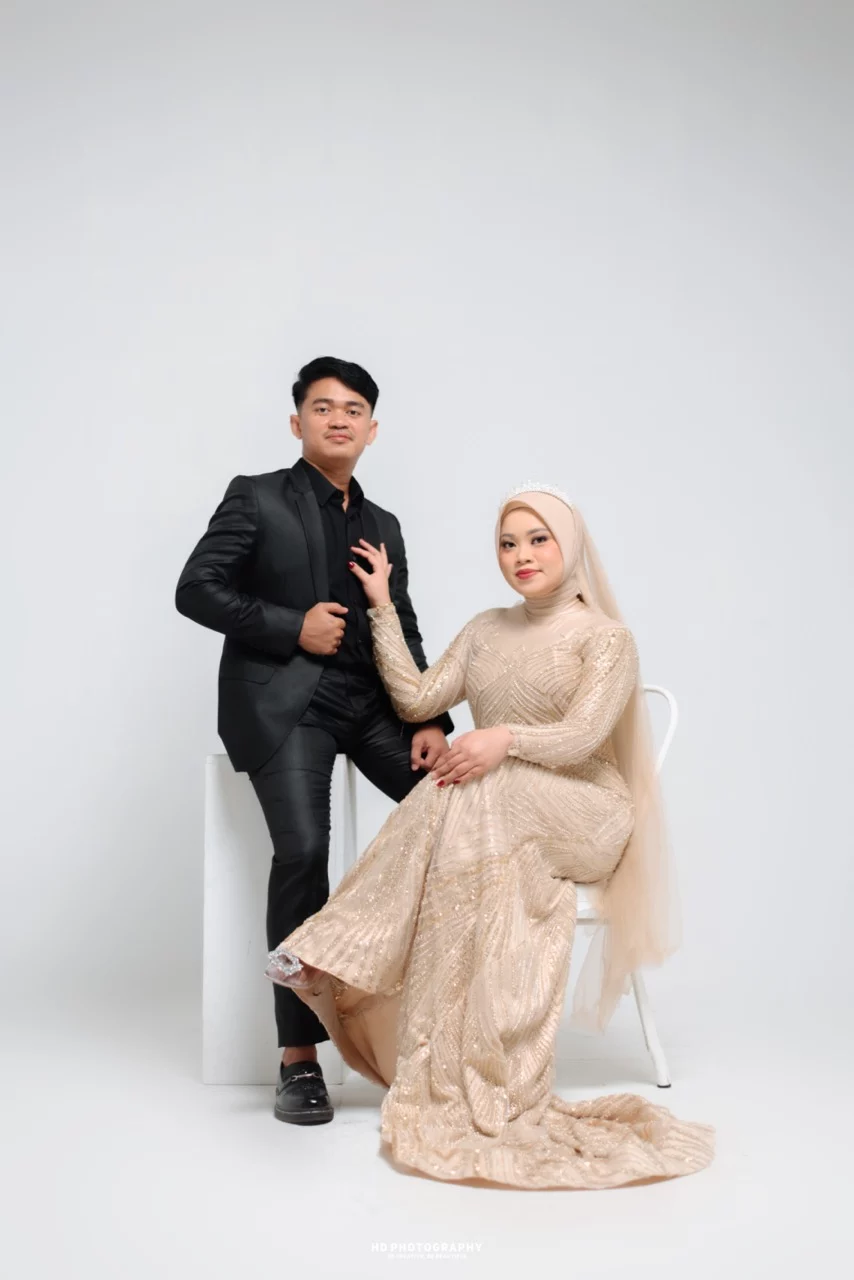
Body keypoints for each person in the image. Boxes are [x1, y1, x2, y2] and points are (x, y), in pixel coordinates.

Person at [264, 485, 715, 1189]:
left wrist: (502, 739)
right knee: (465, 782)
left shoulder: (606, 638)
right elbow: (417, 699)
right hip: (499, 811)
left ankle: (343, 943)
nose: (521, 556)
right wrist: (381, 605)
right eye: (507, 543)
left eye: (538, 539)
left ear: (569, 545)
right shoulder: (484, 630)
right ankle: (414, 1009)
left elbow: (581, 739)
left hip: (587, 810)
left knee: (474, 778)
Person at [175, 356, 453, 1125]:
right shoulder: (257, 496)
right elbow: (196, 588)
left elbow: (404, 623)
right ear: (297, 422)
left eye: (353, 409)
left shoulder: (384, 524)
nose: (338, 419)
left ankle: (428, 1023)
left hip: (373, 704)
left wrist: (428, 717)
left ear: (372, 429)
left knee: (462, 806)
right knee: (303, 852)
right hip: (288, 703)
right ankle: (298, 1059)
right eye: (323, 407)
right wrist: (290, 625)